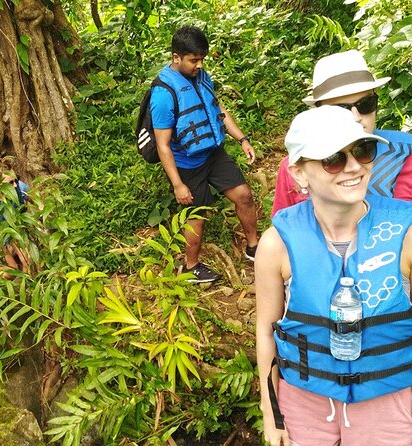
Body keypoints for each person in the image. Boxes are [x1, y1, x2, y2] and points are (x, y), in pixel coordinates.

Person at [256, 106, 412, 446]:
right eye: (333, 158)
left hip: (391, 399)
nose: (354, 166)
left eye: (362, 150)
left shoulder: (406, 233)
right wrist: (272, 413)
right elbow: (266, 332)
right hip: (305, 401)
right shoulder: (276, 244)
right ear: (299, 173)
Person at [150, 26, 259, 282]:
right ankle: (191, 266)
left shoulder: (201, 76)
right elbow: (162, 145)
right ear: (176, 57)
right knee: (197, 216)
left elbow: (217, 109)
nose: (199, 65)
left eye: (201, 59)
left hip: (213, 153)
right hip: (187, 163)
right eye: (193, 60)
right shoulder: (163, 94)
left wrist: (242, 139)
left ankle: (254, 246)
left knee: (243, 194)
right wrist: (178, 184)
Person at [271, 50, 412, 216]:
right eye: (340, 110)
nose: (356, 117)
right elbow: (284, 227)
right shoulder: (299, 164)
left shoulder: (405, 152)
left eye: (365, 104)